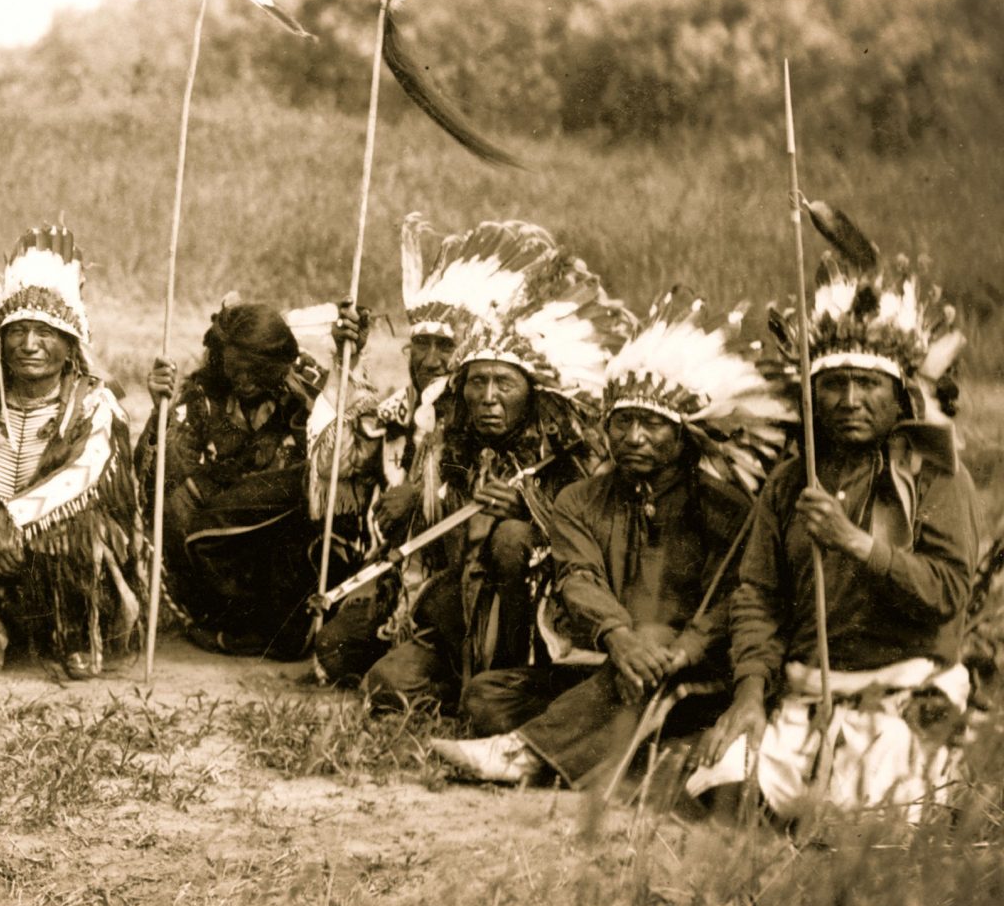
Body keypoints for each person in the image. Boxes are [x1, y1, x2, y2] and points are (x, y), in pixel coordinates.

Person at [432, 292, 786, 786]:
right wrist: (618, 635)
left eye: (652, 424)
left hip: (692, 668)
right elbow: (577, 578)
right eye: (623, 422)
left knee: (646, 660)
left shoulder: (724, 507)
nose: (634, 437)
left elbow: (733, 597)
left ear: (682, 436)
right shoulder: (579, 499)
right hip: (611, 659)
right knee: (487, 695)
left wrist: (682, 648)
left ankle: (524, 756)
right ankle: (631, 747)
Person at [688, 234, 980, 821]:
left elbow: (949, 592)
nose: (850, 399)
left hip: (897, 700)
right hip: (804, 699)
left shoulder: (936, 478)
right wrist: (749, 697)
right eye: (833, 384)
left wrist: (856, 543)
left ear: (900, 396)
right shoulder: (792, 480)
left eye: (868, 384)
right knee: (720, 797)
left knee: (868, 829)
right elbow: (757, 597)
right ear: (811, 396)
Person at [360, 231, 622, 715]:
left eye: (505, 383)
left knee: (510, 539)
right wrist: (415, 503)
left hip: (542, 634)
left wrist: (532, 510)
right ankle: (467, 684)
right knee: (383, 684)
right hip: (457, 615)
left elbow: (596, 541)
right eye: (477, 382)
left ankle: (506, 683)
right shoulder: (447, 447)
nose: (488, 397)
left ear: (531, 391)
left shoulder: (570, 453)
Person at [312, 217, 569, 685]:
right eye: (421, 346)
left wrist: (429, 499)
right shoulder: (398, 413)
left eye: (445, 347)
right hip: (406, 579)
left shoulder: (503, 420)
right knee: (334, 651)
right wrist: (347, 360)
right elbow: (332, 466)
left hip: (479, 584)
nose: (431, 360)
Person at [0, 227, 141, 680]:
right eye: (17, 331)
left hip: (59, 570)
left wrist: (11, 518)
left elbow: (84, 472)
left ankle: (75, 636)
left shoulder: (95, 406)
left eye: (46, 332)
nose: (30, 344)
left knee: (81, 529)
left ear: (70, 344)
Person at [139, 302, 328, 659]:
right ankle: (224, 616)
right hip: (219, 541)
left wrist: (356, 352)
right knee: (175, 499)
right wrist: (158, 411)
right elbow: (159, 472)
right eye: (234, 370)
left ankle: (278, 623)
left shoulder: (307, 383)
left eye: (255, 371)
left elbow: (342, 439)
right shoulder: (203, 393)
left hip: (282, 532)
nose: (243, 380)